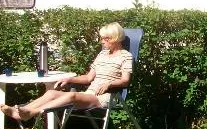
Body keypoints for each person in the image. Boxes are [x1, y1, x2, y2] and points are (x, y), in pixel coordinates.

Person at [1, 22, 133, 121]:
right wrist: (69, 79)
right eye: (102, 38)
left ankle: (32, 113)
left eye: (105, 39)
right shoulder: (102, 54)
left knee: (71, 96)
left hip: (106, 97)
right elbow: (88, 78)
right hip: (89, 94)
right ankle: (22, 110)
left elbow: (125, 81)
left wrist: (109, 84)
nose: (102, 42)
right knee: (51, 92)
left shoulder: (125, 56)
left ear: (115, 38)